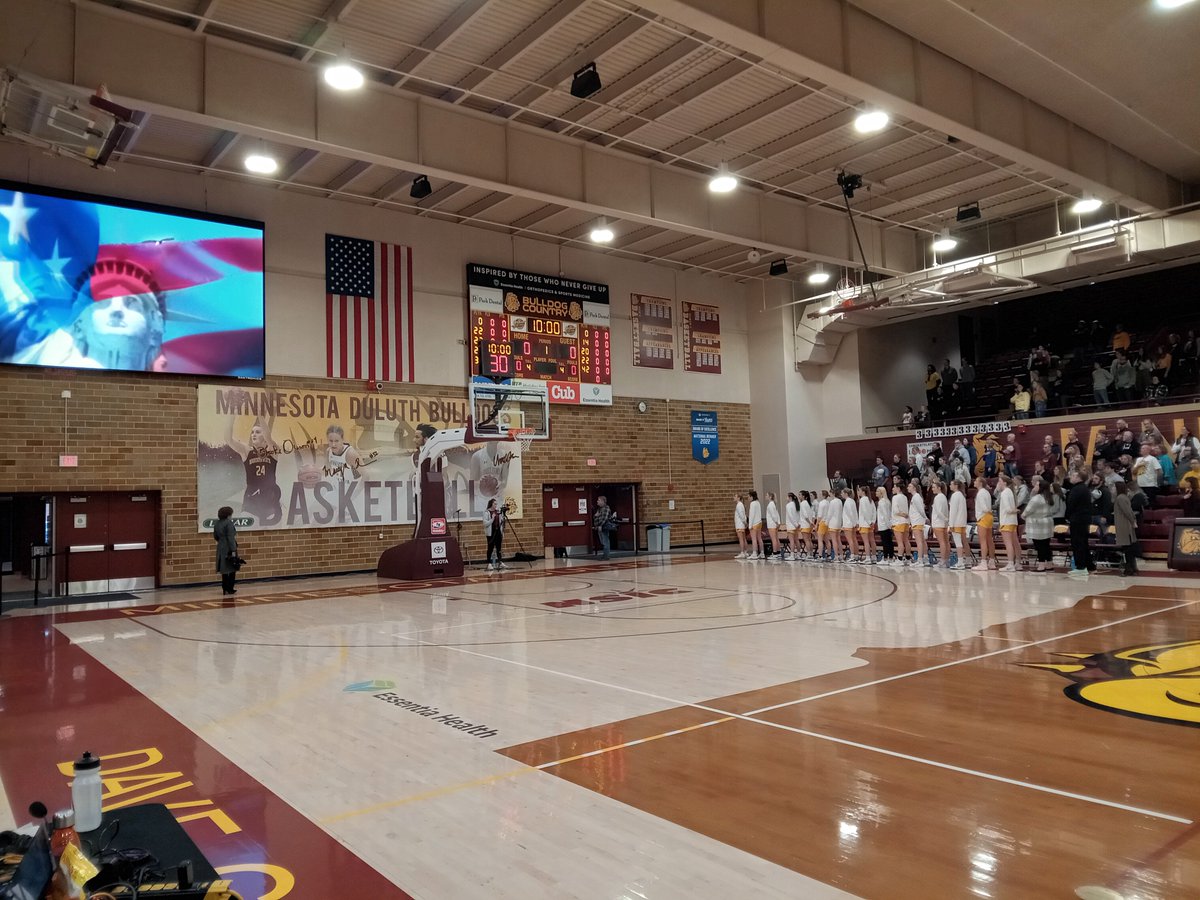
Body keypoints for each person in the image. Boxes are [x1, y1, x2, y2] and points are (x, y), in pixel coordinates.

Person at [225, 411, 282, 526]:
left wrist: (260, 414)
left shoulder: (272, 450)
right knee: (248, 532)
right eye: (252, 432)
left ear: (264, 436)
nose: (253, 434)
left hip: (270, 499)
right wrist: (231, 417)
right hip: (251, 499)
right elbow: (228, 439)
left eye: (257, 432)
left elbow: (268, 437)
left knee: (273, 534)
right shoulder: (247, 451)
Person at [1065, 468, 1095, 578]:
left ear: (1079, 478)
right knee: (1083, 542)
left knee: (1078, 543)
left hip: (1077, 519)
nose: (1071, 477)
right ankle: (1090, 566)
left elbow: (1071, 504)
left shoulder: (1076, 489)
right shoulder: (1084, 488)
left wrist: (1067, 516)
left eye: (1073, 476)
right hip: (1084, 519)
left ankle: (1080, 567)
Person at [1022, 481, 1055, 573]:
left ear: (1041, 487)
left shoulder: (1036, 498)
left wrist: (1023, 516)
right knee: (1046, 545)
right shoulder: (1049, 497)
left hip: (1037, 524)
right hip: (1047, 523)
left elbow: (1027, 510)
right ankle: (1049, 564)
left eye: (1037, 485)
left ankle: (1041, 565)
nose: (1034, 486)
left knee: (1039, 545)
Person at [996, 473, 1022, 571]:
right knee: (1015, 542)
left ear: (1004, 483)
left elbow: (1008, 509)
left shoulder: (1004, 493)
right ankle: (1018, 563)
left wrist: (1014, 510)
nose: (998, 483)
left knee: (1008, 543)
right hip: (1013, 521)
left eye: (1000, 481)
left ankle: (1010, 564)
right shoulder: (1010, 491)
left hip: (1006, 521)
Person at [1112, 481, 1138, 577]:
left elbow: (1128, 512)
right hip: (1125, 525)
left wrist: (1133, 521)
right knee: (1128, 548)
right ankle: (1132, 568)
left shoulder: (1120, 498)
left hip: (1124, 526)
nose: (1112, 489)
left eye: (1114, 487)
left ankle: (1129, 569)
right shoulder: (1123, 497)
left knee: (1127, 549)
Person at [971, 476, 996, 571]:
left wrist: (987, 511)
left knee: (983, 541)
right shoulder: (986, 492)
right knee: (989, 540)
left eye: (976, 481)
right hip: (989, 517)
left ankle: (983, 562)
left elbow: (984, 507)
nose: (974, 482)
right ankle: (992, 562)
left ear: (980, 483)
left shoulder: (980, 493)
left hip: (983, 516)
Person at [214, 505, 239, 595]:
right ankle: (230, 588)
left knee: (223, 568)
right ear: (228, 515)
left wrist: (221, 542)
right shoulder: (229, 523)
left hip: (221, 546)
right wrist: (233, 550)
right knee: (232, 566)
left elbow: (215, 536)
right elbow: (230, 537)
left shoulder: (217, 523)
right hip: (229, 547)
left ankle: (224, 587)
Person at [908, 479, 930, 566]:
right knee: (922, 540)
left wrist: (925, 517)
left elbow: (921, 509)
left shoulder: (916, 497)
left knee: (919, 541)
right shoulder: (916, 497)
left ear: (914, 488)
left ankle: (920, 560)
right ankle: (925, 558)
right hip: (917, 521)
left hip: (917, 521)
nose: (908, 488)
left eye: (909, 486)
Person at [947, 480, 968, 570]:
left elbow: (953, 511)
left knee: (958, 542)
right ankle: (964, 561)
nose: (949, 485)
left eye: (951, 484)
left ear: (956, 485)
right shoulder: (961, 495)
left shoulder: (955, 495)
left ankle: (960, 562)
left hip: (956, 522)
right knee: (962, 542)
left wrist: (951, 524)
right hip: (962, 522)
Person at [890, 481, 910, 566]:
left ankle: (900, 559)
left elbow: (895, 511)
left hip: (898, 521)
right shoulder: (905, 497)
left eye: (894, 487)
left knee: (900, 542)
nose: (892, 489)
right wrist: (905, 515)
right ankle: (908, 558)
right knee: (906, 540)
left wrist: (902, 514)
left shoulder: (895, 497)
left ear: (898, 488)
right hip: (906, 521)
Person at [483, 498, 507, 571]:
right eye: (495, 504)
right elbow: (485, 524)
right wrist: (492, 519)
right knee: (490, 547)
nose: (496, 505)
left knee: (499, 548)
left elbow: (501, 521)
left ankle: (500, 561)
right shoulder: (486, 512)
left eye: (496, 504)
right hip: (491, 532)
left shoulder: (498, 512)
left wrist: (503, 517)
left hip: (498, 531)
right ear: (491, 504)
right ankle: (489, 563)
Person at [857, 485, 877, 564]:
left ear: (863, 492)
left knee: (866, 542)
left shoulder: (862, 500)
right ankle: (874, 557)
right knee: (872, 540)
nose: (858, 492)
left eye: (859, 490)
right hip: (870, 523)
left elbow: (864, 512)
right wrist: (873, 521)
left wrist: (869, 522)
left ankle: (868, 558)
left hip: (865, 523)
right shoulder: (870, 500)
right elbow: (874, 511)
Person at [593, 495, 616, 560]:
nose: (597, 501)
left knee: (605, 542)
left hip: (603, 527)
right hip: (599, 527)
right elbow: (595, 517)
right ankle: (605, 555)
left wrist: (600, 525)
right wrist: (596, 516)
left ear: (603, 501)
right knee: (602, 542)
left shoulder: (606, 508)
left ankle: (606, 556)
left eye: (598, 500)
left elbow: (604, 519)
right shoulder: (599, 509)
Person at [875, 486, 893, 565]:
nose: (876, 493)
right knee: (889, 542)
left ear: (882, 493)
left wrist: (888, 524)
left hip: (884, 525)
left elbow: (885, 514)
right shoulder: (886, 501)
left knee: (885, 542)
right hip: (886, 524)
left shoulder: (882, 502)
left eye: (877, 491)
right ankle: (890, 557)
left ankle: (886, 558)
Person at [840, 488, 859, 563]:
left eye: (842, 493)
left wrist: (853, 523)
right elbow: (855, 513)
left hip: (848, 524)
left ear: (846, 493)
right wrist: (856, 522)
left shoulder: (847, 502)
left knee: (850, 540)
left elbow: (850, 514)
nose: (841, 494)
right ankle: (856, 555)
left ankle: (852, 556)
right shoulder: (852, 501)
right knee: (854, 539)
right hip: (852, 523)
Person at [784, 492, 802, 560]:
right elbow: (799, 515)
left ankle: (792, 555)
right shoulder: (796, 504)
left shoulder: (788, 505)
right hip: (796, 525)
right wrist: (798, 524)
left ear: (790, 497)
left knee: (791, 541)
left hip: (791, 525)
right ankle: (798, 554)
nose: (786, 498)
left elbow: (790, 516)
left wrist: (795, 524)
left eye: (787, 497)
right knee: (796, 540)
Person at [798, 491, 815, 559]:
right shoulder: (808, 503)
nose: (799, 496)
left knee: (806, 540)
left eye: (800, 495)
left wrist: (809, 522)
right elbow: (812, 514)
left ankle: (808, 554)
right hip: (809, 524)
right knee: (809, 540)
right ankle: (811, 553)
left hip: (805, 524)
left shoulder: (802, 503)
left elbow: (805, 515)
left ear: (803, 496)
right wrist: (811, 522)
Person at [747, 490, 764, 560]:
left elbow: (751, 515)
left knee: (754, 539)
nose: (748, 498)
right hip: (759, 522)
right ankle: (762, 553)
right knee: (759, 538)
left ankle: (754, 553)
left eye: (748, 496)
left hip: (754, 523)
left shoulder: (752, 503)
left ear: (751, 496)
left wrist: (750, 525)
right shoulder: (758, 503)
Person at [765, 492, 782, 561]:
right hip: (774, 524)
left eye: (766, 495)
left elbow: (773, 515)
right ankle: (778, 552)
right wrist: (778, 523)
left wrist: (776, 522)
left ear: (770, 497)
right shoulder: (773, 504)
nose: (765, 496)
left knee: (774, 539)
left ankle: (775, 553)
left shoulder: (770, 505)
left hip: (772, 524)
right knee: (776, 538)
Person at [733, 493, 749, 559]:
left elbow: (741, 515)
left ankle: (742, 552)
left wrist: (744, 522)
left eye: (735, 496)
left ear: (738, 498)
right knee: (744, 538)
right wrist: (745, 523)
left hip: (740, 524)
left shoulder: (739, 505)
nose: (734, 497)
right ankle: (745, 552)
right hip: (742, 524)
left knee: (741, 539)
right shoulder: (741, 504)